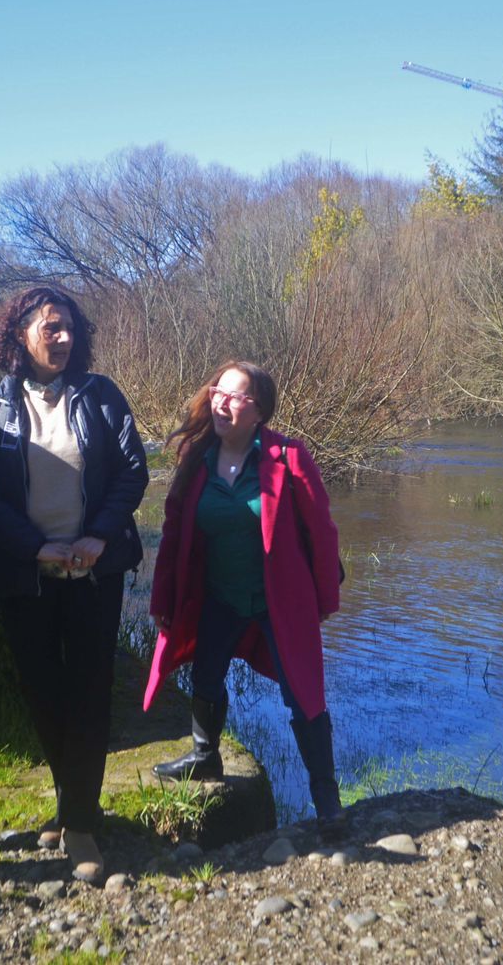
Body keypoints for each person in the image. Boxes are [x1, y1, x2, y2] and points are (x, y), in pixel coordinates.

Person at [0, 286, 148, 885]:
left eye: (68, 327)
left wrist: (97, 535)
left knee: (90, 690)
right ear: (19, 335)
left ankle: (80, 822)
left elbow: (131, 473)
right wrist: (33, 545)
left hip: (94, 571)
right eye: (50, 327)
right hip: (27, 573)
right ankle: (72, 803)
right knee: (43, 691)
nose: (62, 337)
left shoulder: (102, 396)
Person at [143, 361, 347, 842]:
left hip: (282, 601)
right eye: (218, 391)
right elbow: (174, 535)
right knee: (206, 673)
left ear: (260, 411)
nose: (221, 402)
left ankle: (327, 799)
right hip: (219, 595)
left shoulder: (289, 458)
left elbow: (322, 532)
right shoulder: (196, 459)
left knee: (303, 694)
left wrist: (323, 598)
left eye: (235, 397)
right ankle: (203, 755)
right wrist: (164, 596)